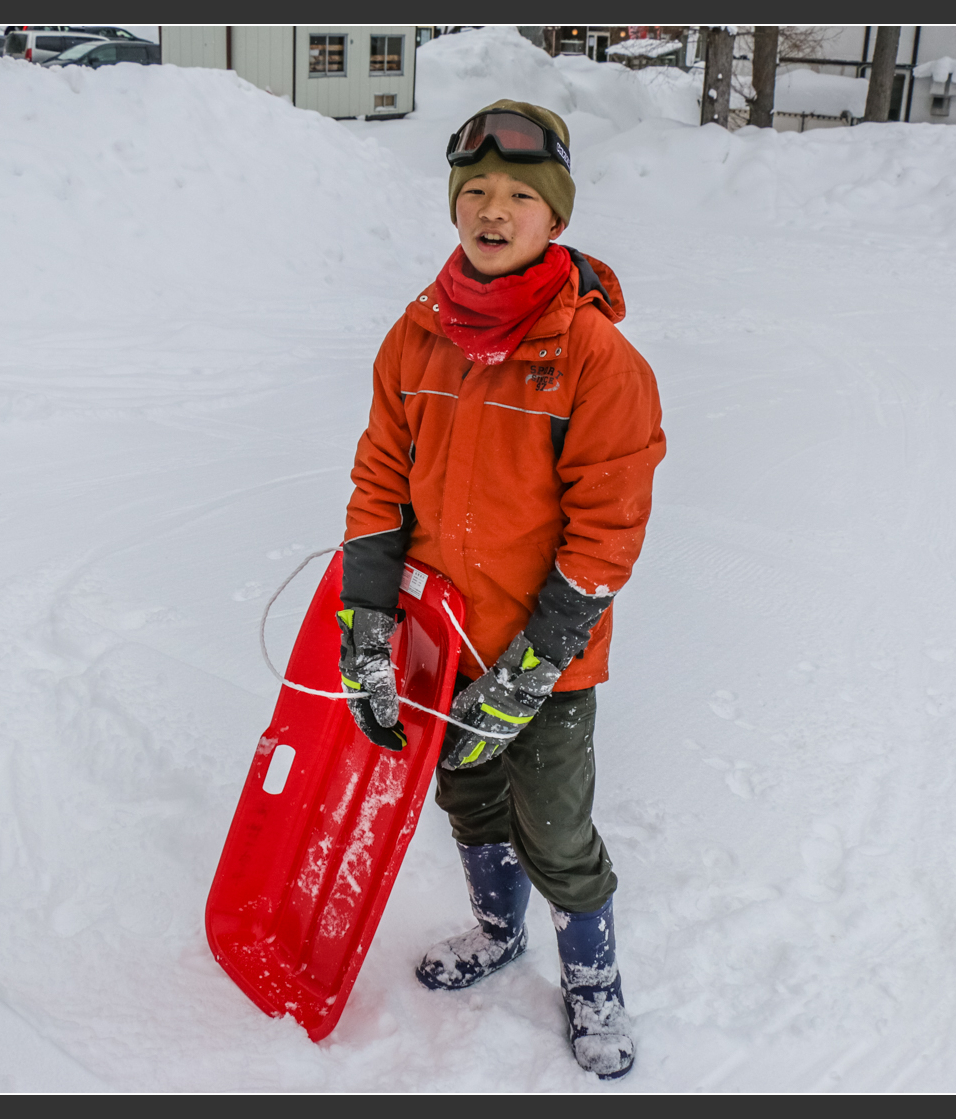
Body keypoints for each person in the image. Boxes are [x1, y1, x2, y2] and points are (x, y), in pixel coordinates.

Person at [336, 100, 665, 1079]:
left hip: (546, 662)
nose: (491, 209)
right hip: (443, 640)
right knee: (468, 798)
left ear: (553, 218)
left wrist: (531, 668)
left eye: (519, 194)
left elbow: (607, 530)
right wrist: (368, 621)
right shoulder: (415, 336)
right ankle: (494, 929)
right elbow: (378, 482)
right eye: (473, 191)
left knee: (555, 831)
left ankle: (593, 983)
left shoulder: (597, 360)